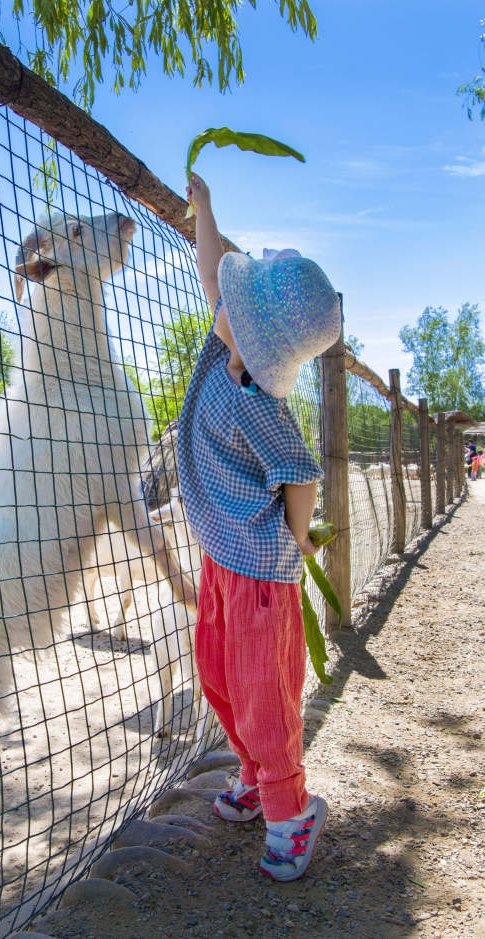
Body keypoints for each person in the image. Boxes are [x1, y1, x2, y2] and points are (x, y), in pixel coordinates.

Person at [178, 173, 341, 882]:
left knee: (263, 691)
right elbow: (213, 268)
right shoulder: (223, 347)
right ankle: (254, 773)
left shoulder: (259, 406)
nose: (220, 298)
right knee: (218, 673)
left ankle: (289, 809)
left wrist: (302, 536)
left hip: (260, 576)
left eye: (233, 302)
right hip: (223, 557)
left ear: (249, 334)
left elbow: (301, 472)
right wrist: (206, 208)